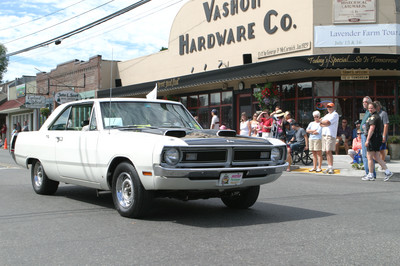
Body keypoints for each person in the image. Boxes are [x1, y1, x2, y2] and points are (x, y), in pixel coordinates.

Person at [362, 102, 393, 181]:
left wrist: (367, 140)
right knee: (376, 157)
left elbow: (372, 129)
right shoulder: (375, 116)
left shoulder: (374, 117)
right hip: (377, 138)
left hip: (373, 139)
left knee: (369, 157)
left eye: (371, 108)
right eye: (369, 108)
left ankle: (370, 174)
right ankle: (387, 171)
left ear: (375, 108)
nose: (370, 109)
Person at [320, 102, 339, 174]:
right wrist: (323, 123)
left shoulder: (335, 114)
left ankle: (331, 167)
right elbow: (321, 124)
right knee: (326, 152)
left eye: (330, 107)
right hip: (324, 134)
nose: (329, 108)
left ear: (333, 107)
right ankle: (329, 166)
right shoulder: (327, 115)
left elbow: (327, 122)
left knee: (328, 151)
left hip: (330, 134)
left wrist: (322, 122)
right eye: (328, 107)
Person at [360, 96, 375, 179]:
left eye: (366, 102)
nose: (364, 103)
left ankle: (370, 173)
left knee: (367, 155)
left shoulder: (370, 113)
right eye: (363, 102)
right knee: (366, 155)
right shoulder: (366, 112)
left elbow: (371, 125)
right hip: (363, 134)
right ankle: (369, 172)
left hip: (366, 135)